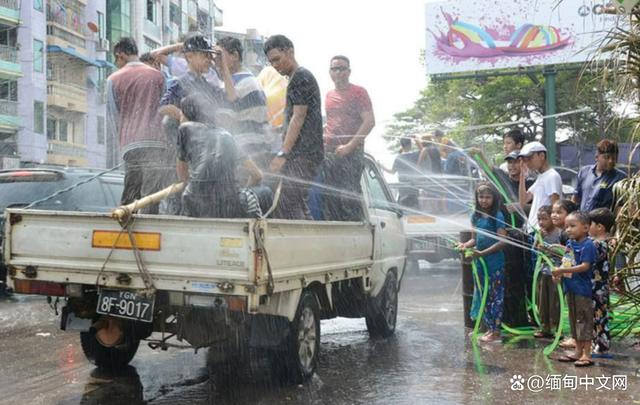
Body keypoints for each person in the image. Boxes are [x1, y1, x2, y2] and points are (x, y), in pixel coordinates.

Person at [264, 35, 324, 220]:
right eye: (271, 62)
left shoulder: (300, 77)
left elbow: (298, 117)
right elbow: (295, 119)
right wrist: (277, 130)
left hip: (303, 155)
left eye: (277, 59)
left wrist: (283, 154)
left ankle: (299, 247)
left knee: (285, 205)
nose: (274, 65)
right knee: (297, 202)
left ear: (290, 52)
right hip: (305, 154)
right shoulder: (297, 78)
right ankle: (312, 246)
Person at [106, 37, 169, 214]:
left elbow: (114, 117)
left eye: (116, 59)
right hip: (156, 144)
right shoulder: (158, 76)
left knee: (131, 193)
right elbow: (165, 109)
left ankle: (125, 232)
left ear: (120, 55)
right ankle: (148, 236)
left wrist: (121, 144)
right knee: (150, 198)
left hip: (130, 145)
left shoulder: (113, 79)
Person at [176, 95, 263, 218]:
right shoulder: (226, 136)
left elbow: (182, 176)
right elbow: (257, 175)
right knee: (262, 193)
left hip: (195, 202)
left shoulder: (185, 129)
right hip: (229, 203)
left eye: (181, 113)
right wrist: (244, 190)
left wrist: (198, 187)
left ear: (186, 115)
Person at [321, 55, 375, 221]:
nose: (338, 72)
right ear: (330, 72)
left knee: (348, 195)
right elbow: (332, 122)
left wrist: (350, 146)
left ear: (349, 71)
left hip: (351, 152)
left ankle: (356, 233)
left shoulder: (358, 92)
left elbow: (369, 121)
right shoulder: (329, 95)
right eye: (334, 69)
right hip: (331, 152)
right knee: (330, 196)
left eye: (341, 68)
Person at [457, 183, 507, 343]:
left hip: (494, 264)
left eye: (488, 197)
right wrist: (465, 245)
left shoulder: (497, 216)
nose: (484, 200)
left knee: (495, 297)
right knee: (482, 295)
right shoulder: (475, 216)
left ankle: (496, 331)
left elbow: (502, 241)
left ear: (494, 198)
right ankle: (486, 327)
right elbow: (474, 239)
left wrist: (483, 253)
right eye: (481, 197)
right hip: (479, 263)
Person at [214, 36, 270, 175]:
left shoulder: (236, 84)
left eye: (220, 56)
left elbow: (224, 122)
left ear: (235, 56)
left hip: (243, 153)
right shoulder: (251, 80)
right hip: (257, 150)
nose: (216, 61)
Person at [552, 211, 597, 367]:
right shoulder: (570, 244)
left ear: (585, 227)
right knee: (573, 320)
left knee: (583, 320)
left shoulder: (588, 245)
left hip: (582, 291)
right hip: (570, 288)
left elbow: (585, 266)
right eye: (566, 227)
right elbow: (567, 262)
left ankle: (587, 354)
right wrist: (559, 273)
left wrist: (562, 271)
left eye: (572, 226)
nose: (568, 230)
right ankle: (578, 351)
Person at [518, 141, 563, 232]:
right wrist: (522, 175)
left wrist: (549, 231)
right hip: (535, 230)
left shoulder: (552, 176)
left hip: (543, 232)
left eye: (530, 158)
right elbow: (523, 201)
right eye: (525, 160)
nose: (527, 163)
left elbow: (555, 206)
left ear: (542, 156)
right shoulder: (541, 177)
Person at [573, 139, 626, 212]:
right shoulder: (584, 172)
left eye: (614, 158)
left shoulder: (620, 177)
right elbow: (576, 198)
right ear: (596, 157)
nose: (611, 161)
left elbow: (621, 205)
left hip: (603, 222)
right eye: (607, 157)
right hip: (582, 221)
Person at [588, 207, 614, 355]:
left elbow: (585, 260)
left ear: (599, 227)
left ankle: (602, 345)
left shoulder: (597, 244)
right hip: (602, 287)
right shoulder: (606, 242)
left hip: (596, 287)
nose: (587, 227)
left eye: (590, 224)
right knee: (599, 315)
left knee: (598, 316)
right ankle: (598, 343)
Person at [533, 206, 561, 339]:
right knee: (542, 300)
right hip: (543, 271)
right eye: (539, 219)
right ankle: (544, 327)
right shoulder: (539, 233)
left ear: (552, 218)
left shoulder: (560, 233)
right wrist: (539, 240)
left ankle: (556, 328)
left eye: (544, 218)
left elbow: (564, 253)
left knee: (555, 301)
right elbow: (534, 249)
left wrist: (548, 249)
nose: (541, 222)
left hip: (555, 271)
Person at [382, 137, 421, 208]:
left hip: (403, 188)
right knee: (415, 210)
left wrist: (382, 167)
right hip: (413, 187)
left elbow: (392, 172)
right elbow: (422, 150)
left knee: (404, 209)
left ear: (401, 145)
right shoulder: (414, 155)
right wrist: (416, 139)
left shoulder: (399, 158)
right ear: (410, 145)